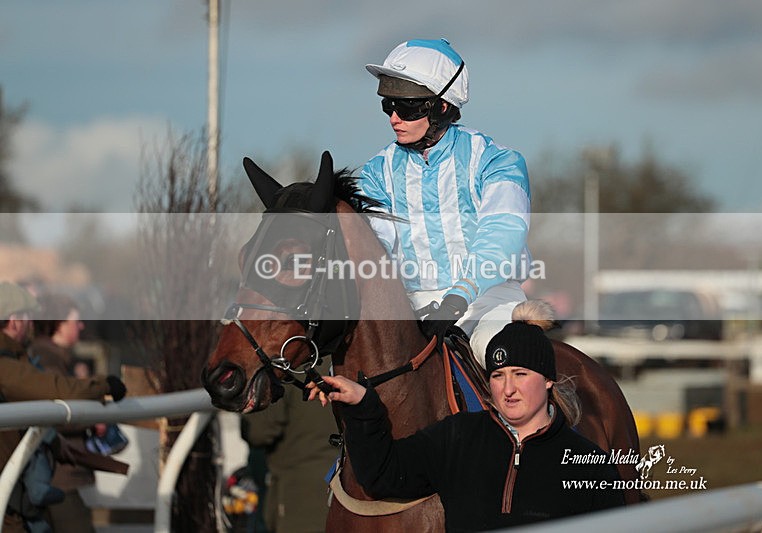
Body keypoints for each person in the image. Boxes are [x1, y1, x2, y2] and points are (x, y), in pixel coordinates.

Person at [308, 318, 624, 531]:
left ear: (548, 380)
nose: (508, 389)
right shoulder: (457, 436)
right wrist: (363, 405)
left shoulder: (589, 465)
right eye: (498, 376)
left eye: (520, 374)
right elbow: (383, 475)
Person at [359, 38, 531, 360]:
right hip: (410, 308)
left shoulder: (498, 162)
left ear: (441, 107)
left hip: (488, 303)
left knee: (503, 358)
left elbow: (502, 236)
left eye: (407, 107)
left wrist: (457, 299)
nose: (394, 118)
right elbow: (375, 245)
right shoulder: (375, 173)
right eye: (388, 105)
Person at [0, 282, 127, 533]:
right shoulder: (9, 365)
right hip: (18, 498)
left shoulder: (18, 359)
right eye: (27, 317)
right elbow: (55, 388)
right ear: (14, 321)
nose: (31, 324)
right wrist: (105, 384)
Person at [28, 293, 103, 533]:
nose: (81, 326)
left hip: (57, 472)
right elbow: (52, 414)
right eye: (75, 321)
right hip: (58, 474)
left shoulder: (55, 359)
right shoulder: (48, 361)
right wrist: (93, 419)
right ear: (59, 324)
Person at [241, 375, 339, 533]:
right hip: (344, 483)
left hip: (298, 492)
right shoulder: (343, 364)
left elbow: (259, 432)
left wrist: (244, 400)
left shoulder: (284, 370)